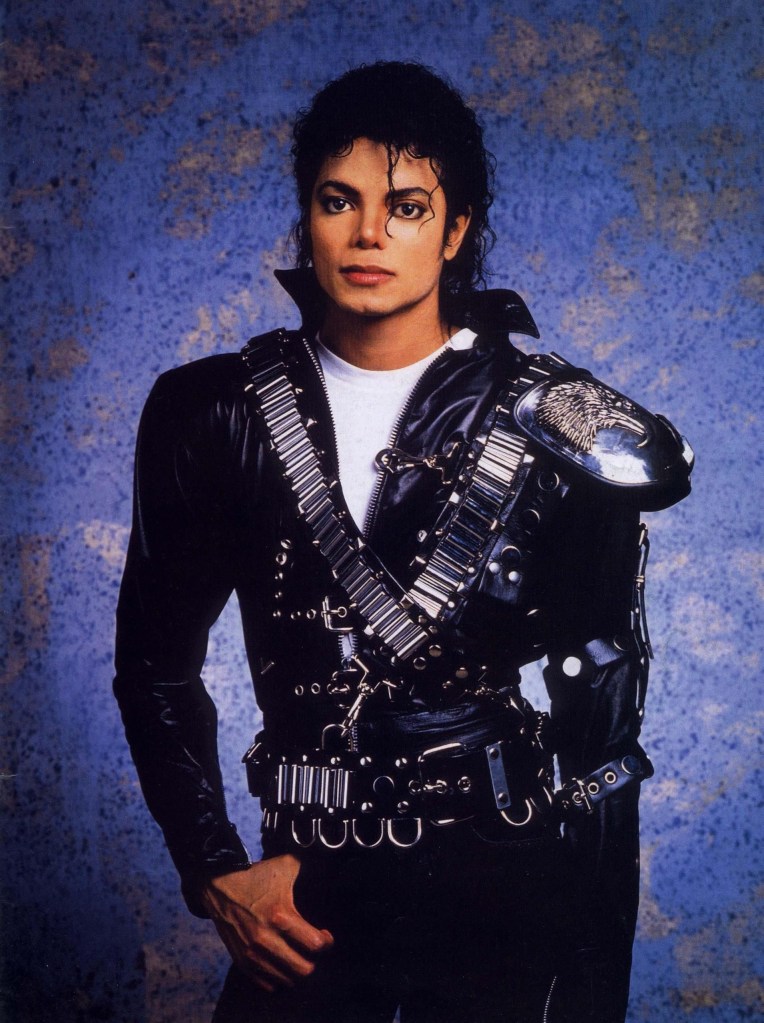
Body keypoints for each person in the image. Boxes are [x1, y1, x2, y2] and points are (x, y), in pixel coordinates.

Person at [114, 62, 693, 1023]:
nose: (369, 233)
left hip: (505, 892)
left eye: (408, 206)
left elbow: (602, 747)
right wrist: (213, 869)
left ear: (456, 229)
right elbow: (154, 668)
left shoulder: (560, 423)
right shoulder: (212, 411)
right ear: (307, 216)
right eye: (338, 200)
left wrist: (592, 996)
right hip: (303, 897)